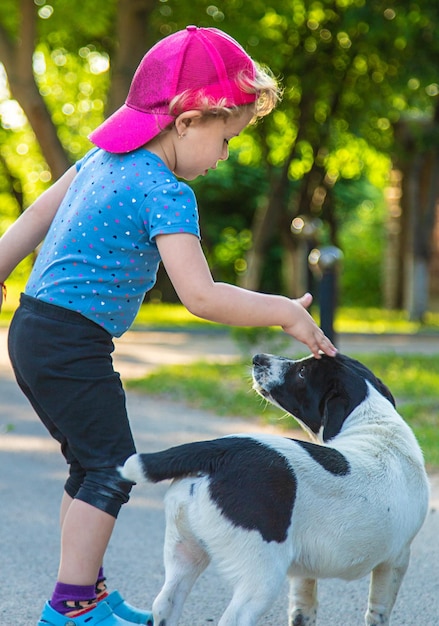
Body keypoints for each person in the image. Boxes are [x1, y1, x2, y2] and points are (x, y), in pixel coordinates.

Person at [0, 25, 337, 626]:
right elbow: (201, 296)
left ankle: (86, 593)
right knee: (109, 468)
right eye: (226, 138)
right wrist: (285, 311)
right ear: (187, 121)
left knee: (89, 463)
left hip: (34, 330)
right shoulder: (165, 192)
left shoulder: (101, 159)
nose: (226, 155)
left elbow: (31, 219)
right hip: (69, 342)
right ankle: (72, 607)